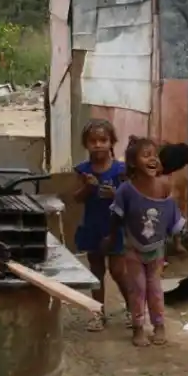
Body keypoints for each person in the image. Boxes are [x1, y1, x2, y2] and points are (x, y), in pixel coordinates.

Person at [105, 136, 186, 347]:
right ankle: (138, 328)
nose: (153, 159)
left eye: (155, 155)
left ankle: (159, 326)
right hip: (132, 247)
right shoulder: (126, 190)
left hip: (157, 249)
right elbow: (116, 217)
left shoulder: (164, 187)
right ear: (133, 163)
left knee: (155, 288)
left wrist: (176, 242)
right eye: (146, 155)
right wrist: (111, 238)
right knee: (137, 288)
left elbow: (171, 215)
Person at [73, 119, 130, 331]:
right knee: (96, 271)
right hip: (93, 225)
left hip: (115, 227)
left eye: (103, 140)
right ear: (86, 144)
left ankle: (132, 309)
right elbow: (76, 198)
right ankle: (98, 313)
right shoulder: (83, 171)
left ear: (111, 142)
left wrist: (115, 195)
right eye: (93, 141)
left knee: (118, 271)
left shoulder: (121, 170)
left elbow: (131, 199)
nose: (98, 145)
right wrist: (88, 188)